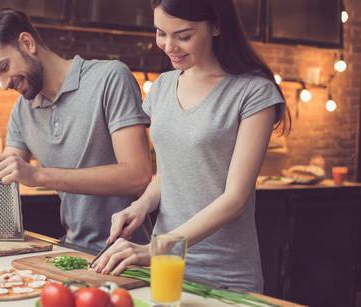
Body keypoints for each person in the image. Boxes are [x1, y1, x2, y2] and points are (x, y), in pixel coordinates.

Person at [92, 0, 290, 293]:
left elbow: (234, 200)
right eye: (161, 33)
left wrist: (156, 248)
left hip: (225, 273)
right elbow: (170, 172)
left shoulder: (253, 92)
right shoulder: (161, 87)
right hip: (167, 267)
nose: (169, 46)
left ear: (217, 26)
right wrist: (140, 205)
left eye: (183, 35)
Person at [0, 9, 153, 251]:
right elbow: (5, 176)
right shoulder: (22, 111)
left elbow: (137, 176)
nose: (4, 85)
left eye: (4, 67)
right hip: (72, 249)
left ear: (27, 43)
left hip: (129, 253)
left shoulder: (109, 78)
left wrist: (38, 175)